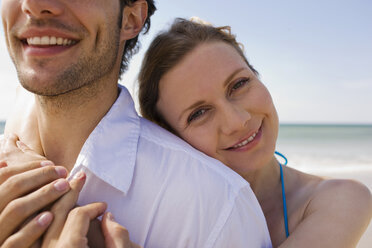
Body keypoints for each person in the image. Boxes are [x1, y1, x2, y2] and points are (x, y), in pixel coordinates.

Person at [0, 1, 272, 248]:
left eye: (239, 84)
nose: (34, 5)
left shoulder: (215, 207)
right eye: (199, 112)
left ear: (130, 17)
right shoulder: (10, 151)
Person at [137, 18, 372, 247]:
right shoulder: (161, 222)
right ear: (169, 138)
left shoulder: (341, 198)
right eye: (199, 113)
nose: (238, 122)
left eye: (239, 84)